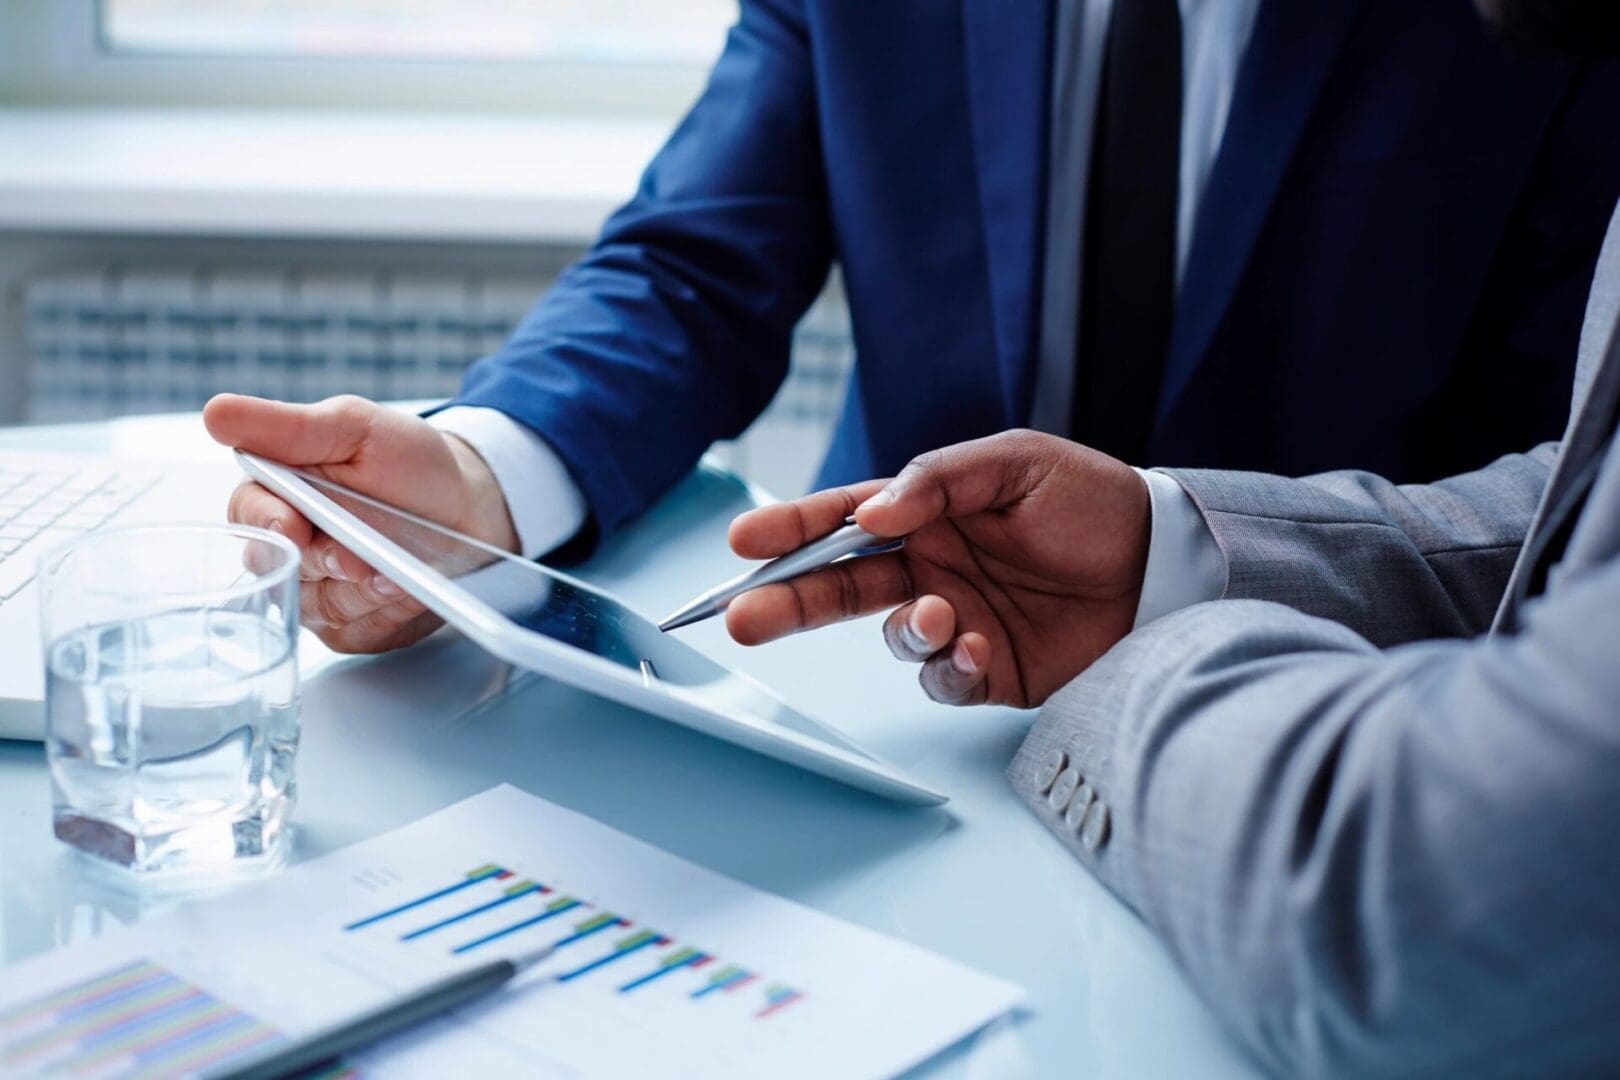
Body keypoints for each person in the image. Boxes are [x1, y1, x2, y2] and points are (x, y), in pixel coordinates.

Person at [715, 2, 1620, 1072]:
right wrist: (1168, 550)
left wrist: (1143, 638)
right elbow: (1574, 499)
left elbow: (1418, 912)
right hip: (897, 736)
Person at [206, 0, 1620, 655]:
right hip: (886, 643)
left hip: (1334, 687)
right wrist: (476, 481)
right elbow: (696, 262)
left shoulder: (1532, 24)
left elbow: (1557, 469)